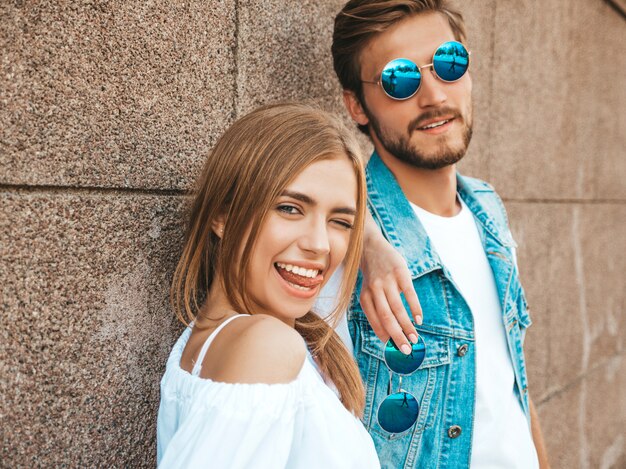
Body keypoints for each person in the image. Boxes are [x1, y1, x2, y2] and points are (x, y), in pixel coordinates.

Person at [326, 1, 551, 467]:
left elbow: (511, 385)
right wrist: (359, 232)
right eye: (400, 78)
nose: (433, 96)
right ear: (356, 105)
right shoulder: (340, 238)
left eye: (449, 63)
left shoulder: (488, 209)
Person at [156, 103, 380, 468]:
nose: (320, 245)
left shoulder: (235, 340)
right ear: (222, 215)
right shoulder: (268, 347)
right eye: (290, 208)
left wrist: (375, 246)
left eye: (340, 221)